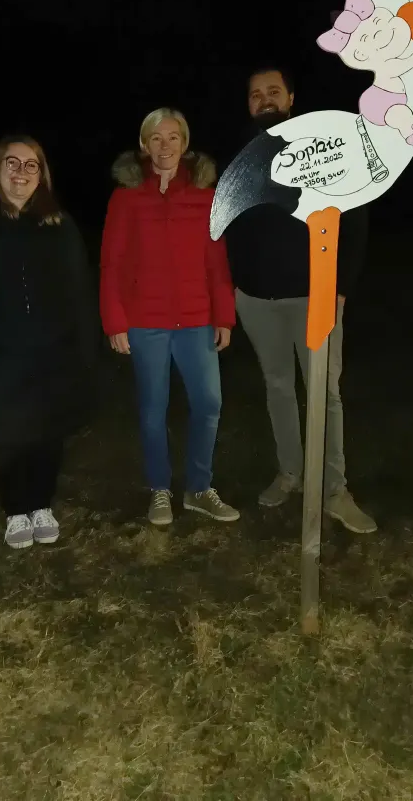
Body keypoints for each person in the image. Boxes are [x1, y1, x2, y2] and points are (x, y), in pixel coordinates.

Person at [223, 65, 376, 533]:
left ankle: (334, 490)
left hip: (316, 297)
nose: (265, 99)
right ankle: (291, 471)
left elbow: (355, 216)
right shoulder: (243, 157)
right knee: (277, 387)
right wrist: (236, 285)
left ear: (291, 98)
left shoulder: (321, 146)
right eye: (256, 94)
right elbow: (230, 224)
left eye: (274, 91)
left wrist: (341, 288)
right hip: (257, 301)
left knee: (325, 393)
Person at [0, 136, 97, 550]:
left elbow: (78, 288)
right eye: (12, 164)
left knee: (46, 429)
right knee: (6, 432)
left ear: (42, 174)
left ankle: (41, 504)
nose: (21, 172)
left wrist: (84, 346)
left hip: (52, 348)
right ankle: (15, 508)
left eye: (31, 165)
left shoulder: (58, 225)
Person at [100, 108, 239, 527]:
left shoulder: (205, 196)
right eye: (156, 138)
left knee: (209, 403)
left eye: (173, 137)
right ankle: (159, 489)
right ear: (144, 145)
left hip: (196, 319)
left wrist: (224, 316)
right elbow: (112, 263)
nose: (165, 146)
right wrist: (115, 320)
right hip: (146, 321)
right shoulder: (126, 197)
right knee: (152, 409)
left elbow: (216, 261)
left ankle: (198, 488)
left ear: (184, 143)